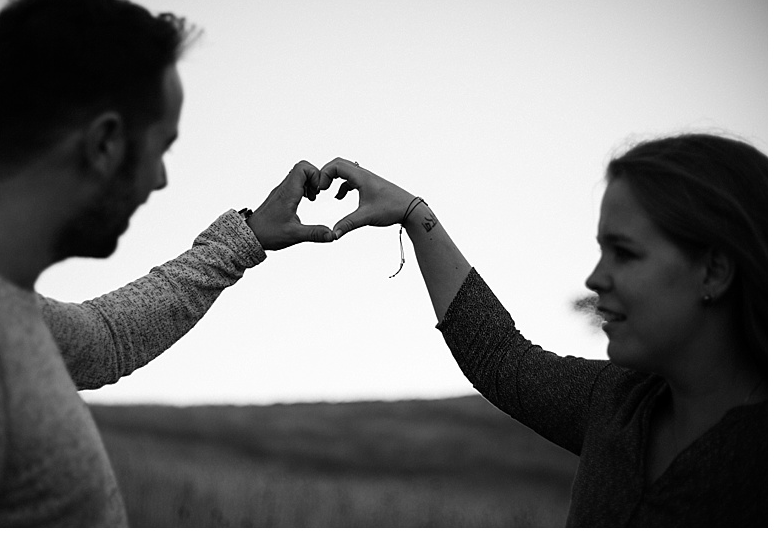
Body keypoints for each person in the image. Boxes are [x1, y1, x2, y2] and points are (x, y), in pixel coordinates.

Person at [0, 0, 335, 527]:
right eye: (161, 148)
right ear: (104, 143)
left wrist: (247, 238)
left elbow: (106, 339)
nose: (161, 180)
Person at [317, 133, 767, 527]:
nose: (595, 279)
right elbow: (498, 357)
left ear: (714, 271)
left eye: (625, 253)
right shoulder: (617, 403)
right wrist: (413, 214)